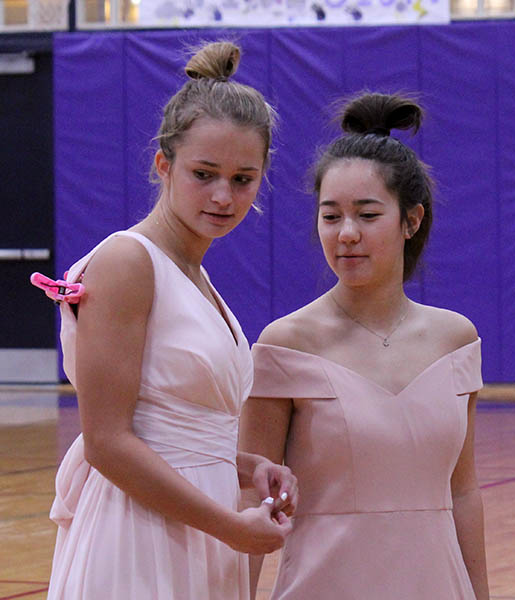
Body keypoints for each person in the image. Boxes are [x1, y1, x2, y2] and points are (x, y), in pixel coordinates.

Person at [47, 41, 298, 600]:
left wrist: (244, 467)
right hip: (138, 535)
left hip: (202, 529)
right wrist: (230, 525)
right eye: (203, 173)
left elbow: (167, 431)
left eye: (243, 178)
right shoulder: (128, 261)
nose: (223, 196)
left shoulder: (197, 277)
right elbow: (107, 441)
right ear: (164, 164)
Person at [238, 92, 489, 600]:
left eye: (367, 215)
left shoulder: (456, 340)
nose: (346, 233)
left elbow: (462, 492)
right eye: (331, 217)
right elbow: (250, 498)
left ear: (411, 220)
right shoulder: (286, 343)